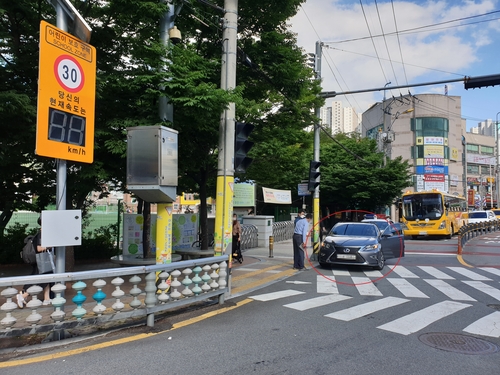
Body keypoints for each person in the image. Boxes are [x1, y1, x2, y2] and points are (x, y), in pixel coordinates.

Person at [17, 217, 54, 308]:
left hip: (43, 260)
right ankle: (23, 295)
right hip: (42, 260)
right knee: (41, 280)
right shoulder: (41, 234)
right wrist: (51, 246)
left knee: (46, 279)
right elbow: (39, 248)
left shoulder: (42, 233)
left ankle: (47, 298)